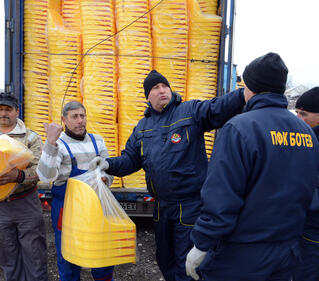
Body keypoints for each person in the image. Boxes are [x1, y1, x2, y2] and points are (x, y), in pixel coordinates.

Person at [89, 69, 246, 281]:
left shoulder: (190, 111)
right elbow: (131, 159)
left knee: (186, 263)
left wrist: (244, 93)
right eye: (156, 88)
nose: (162, 90)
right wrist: (108, 163)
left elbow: (216, 108)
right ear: (148, 96)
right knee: (165, 259)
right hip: (162, 207)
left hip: (189, 206)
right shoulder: (143, 127)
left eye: (165, 86)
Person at [185, 53, 319, 281]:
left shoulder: (239, 128)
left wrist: (202, 243)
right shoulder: (306, 133)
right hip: (288, 250)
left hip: (243, 252)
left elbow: (222, 196)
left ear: (252, 88)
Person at [36, 101, 114, 281]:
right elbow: (46, 176)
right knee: (69, 257)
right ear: (64, 120)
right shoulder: (59, 145)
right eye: (74, 117)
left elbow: (109, 171)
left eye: (82, 116)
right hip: (67, 209)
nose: (80, 121)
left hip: (96, 207)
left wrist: (105, 179)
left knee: (101, 254)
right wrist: (50, 142)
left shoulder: (98, 141)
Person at [0, 93, 48, 281]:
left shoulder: (30, 137)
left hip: (25, 204)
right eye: (0, 109)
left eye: (8, 109)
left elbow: (41, 170)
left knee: (35, 256)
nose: (3, 113)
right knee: (7, 258)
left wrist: (19, 176)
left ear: (17, 111)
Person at [293, 87, 319, 281]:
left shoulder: (313, 144)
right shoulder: (307, 140)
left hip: (313, 230)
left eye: (304, 114)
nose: (298, 119)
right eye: (297, 113)